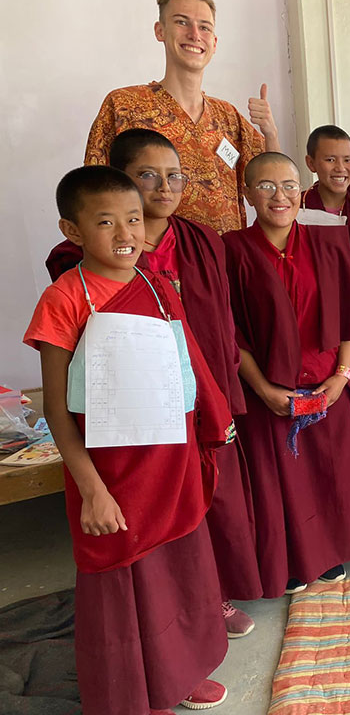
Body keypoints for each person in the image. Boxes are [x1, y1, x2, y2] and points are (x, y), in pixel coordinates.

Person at [23, 166, 234, 714]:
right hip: (112, 472)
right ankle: (134, 692)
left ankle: (180, 672)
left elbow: (187, 367)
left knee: (180, 568)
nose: (125, 234)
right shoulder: (65, 299)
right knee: (124, 581)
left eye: (134, 220)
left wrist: (210, 428)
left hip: (170, 459)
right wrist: (91, 489)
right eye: (105, 221)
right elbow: (55, 407)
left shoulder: (157, 286)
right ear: (72, 231)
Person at [44, 130, 263, 634]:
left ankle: (208, 610)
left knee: (201, 517)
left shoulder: (191, 249)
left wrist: (219, 401)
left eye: (175, 175)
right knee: (135, 539)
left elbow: (210, 330)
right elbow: (70, 381)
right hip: (122, 429)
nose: (164, 186)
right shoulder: (73, 276)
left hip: (187, 407)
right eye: (148, 175)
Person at [223, 152, 350, 596]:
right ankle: (286, 561)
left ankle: (326, 555)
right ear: (247, 193)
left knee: (327, 475)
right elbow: (231, 332)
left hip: (326, 386)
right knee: (279, 485)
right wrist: (262, 388)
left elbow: (349, 316)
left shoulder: (327, 243)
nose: (279, 196)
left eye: (288, 185)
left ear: (300, 189)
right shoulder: (231, 250)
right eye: (265, 186)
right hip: (269, 394)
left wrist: (342, 377)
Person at [85, 0, 279, 235]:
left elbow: (271, 187)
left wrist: (270, 133)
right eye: (182, 22)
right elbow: (94, 193)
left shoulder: (229, 117)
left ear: (215, 42)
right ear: (160, 31)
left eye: (204, 27)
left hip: (222, 263)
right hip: (152, 263)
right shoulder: (124, 106)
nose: (195, 34)